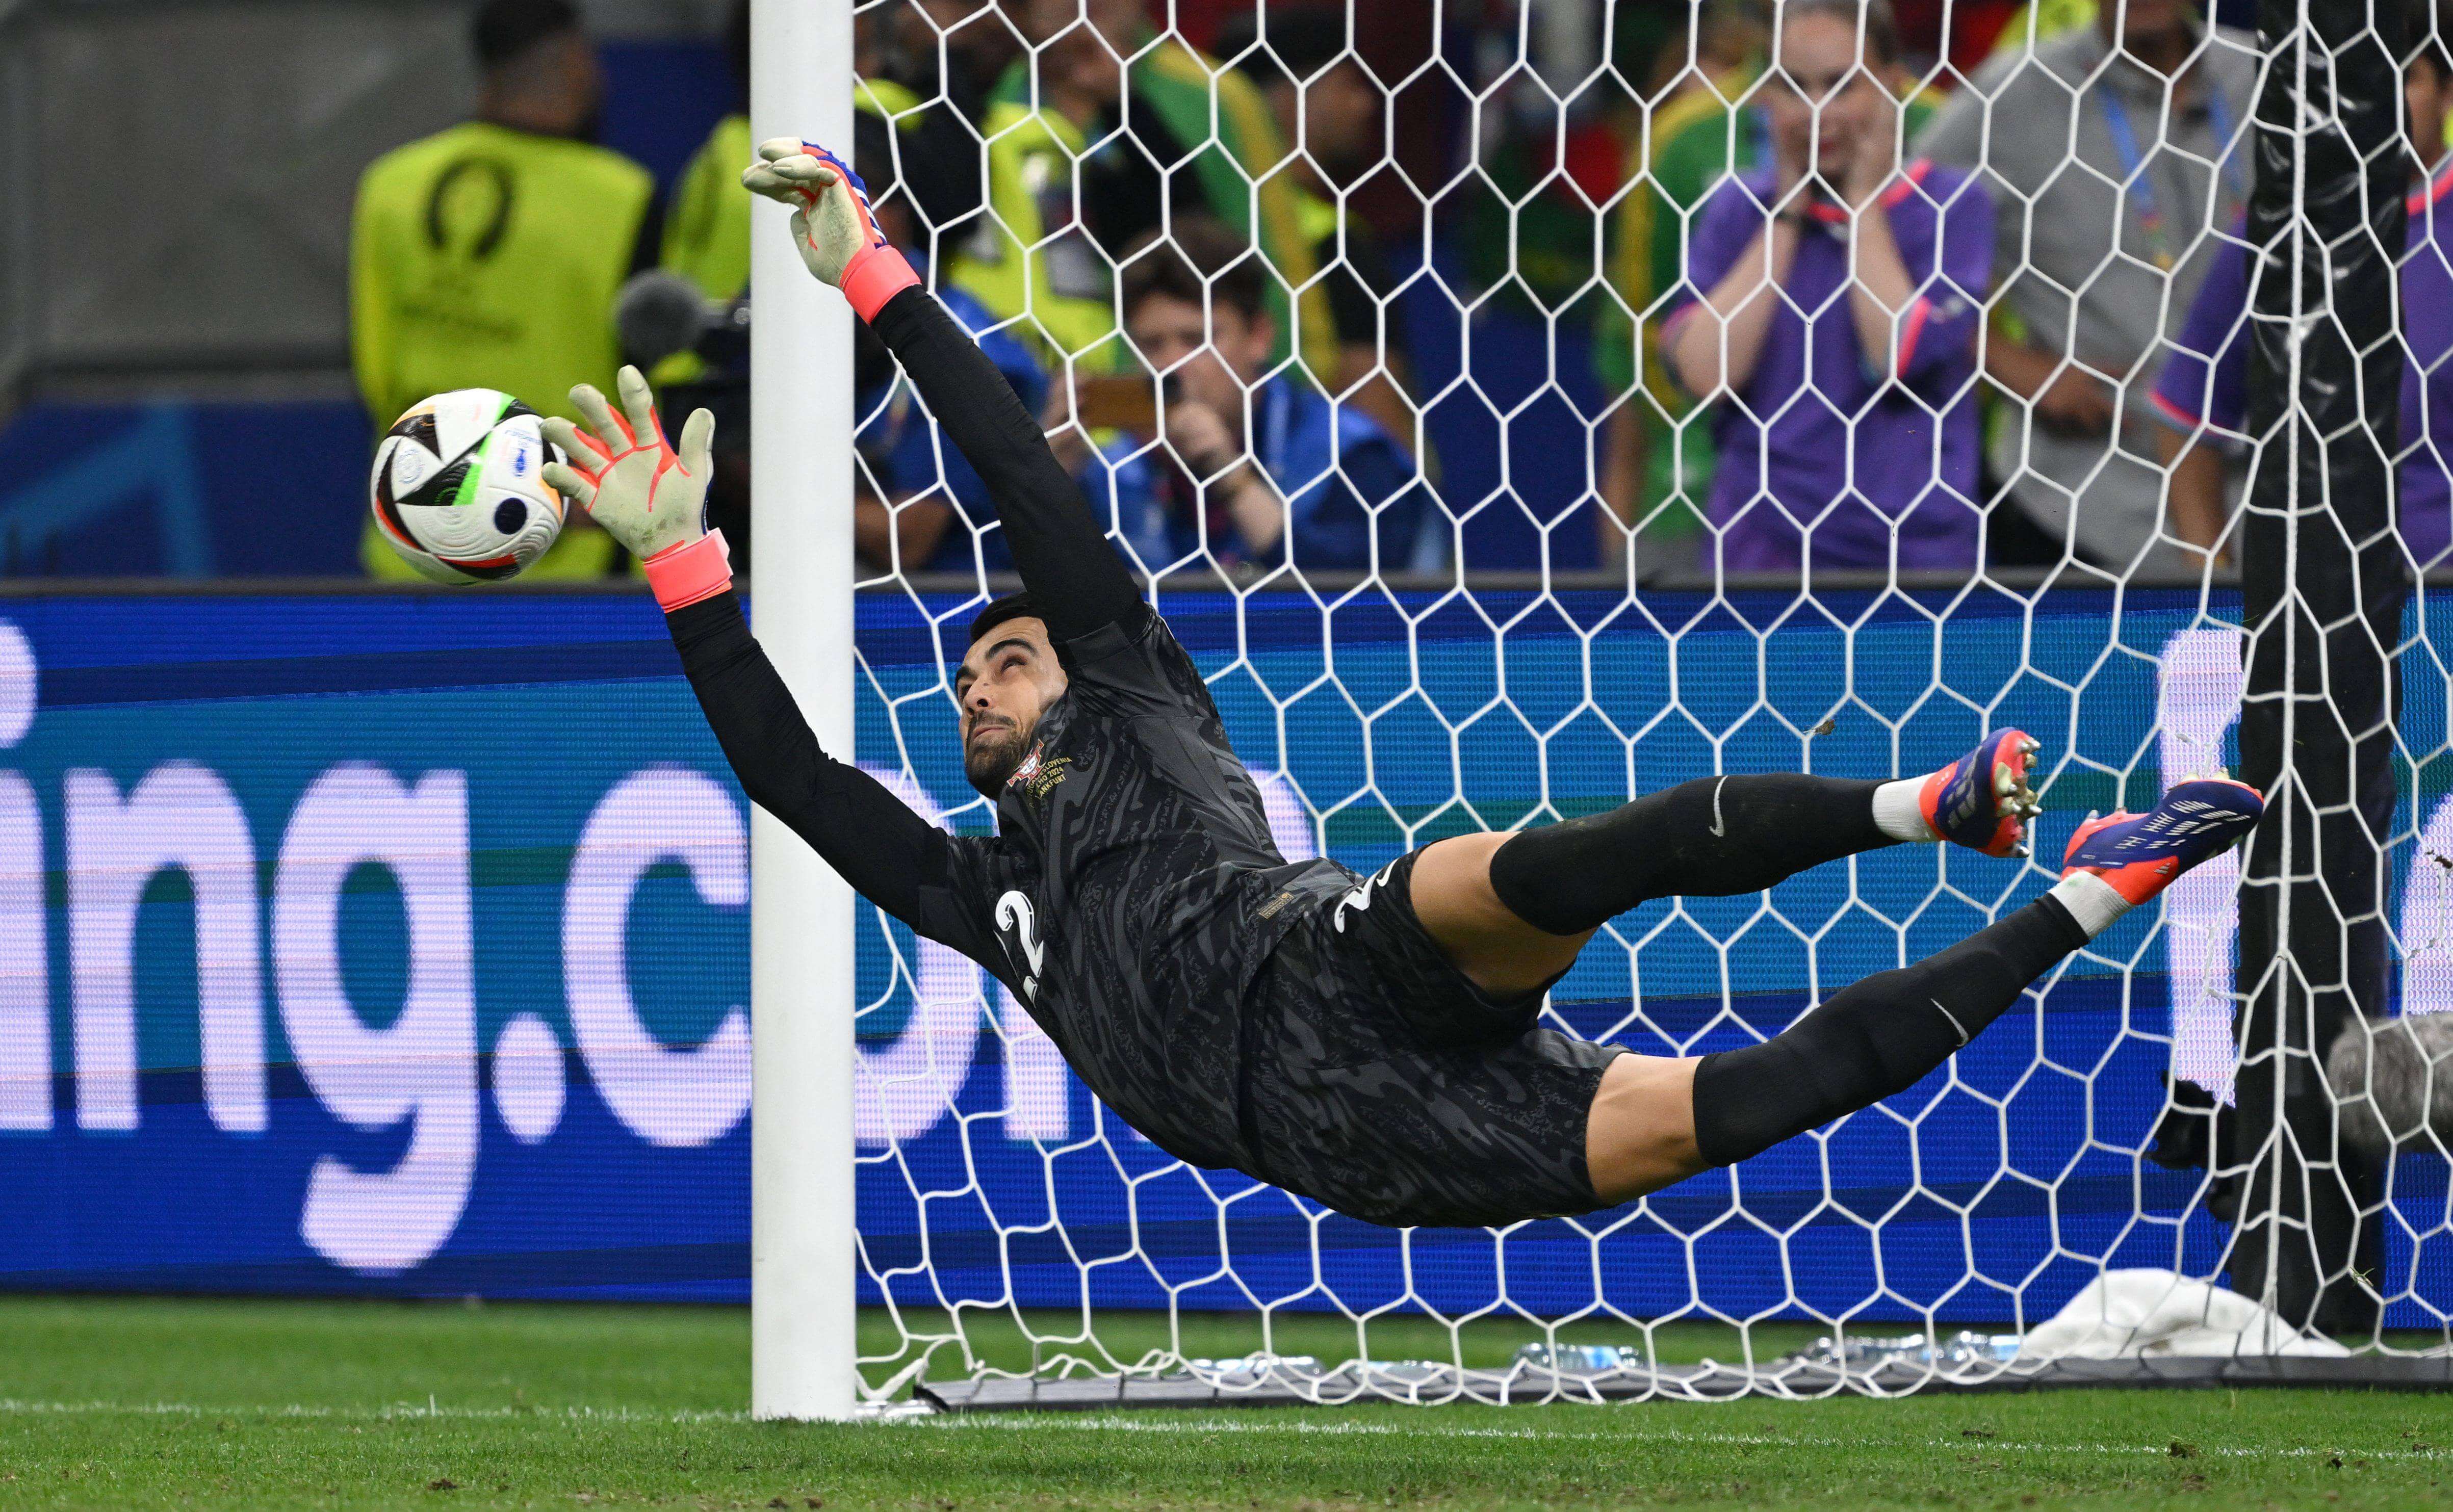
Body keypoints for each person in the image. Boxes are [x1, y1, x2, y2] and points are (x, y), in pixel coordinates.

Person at [533, 138, 2266, 1231]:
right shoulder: (988, 895)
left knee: (1555, 862)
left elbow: (1027, 486)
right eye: (968, 669)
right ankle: (2093, 887)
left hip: (1330, 950)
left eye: (1003, 654)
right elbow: (796, 778)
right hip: (1352, 1140)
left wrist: (874, 280)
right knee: (1754, 1101)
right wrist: (688, 564)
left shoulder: (1140, 702)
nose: (973, 685)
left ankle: (1925, 805)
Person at [1916, 0, 2254, 573]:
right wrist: (2007, 362)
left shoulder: (2267, 77)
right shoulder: (2013, 94)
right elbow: (1894, 233)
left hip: (2267, 501)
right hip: (2081, 507)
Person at [1663, 0, 1992, 573]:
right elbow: (1707, 373)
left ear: (1891, 86)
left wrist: (1862, 203)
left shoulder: (1948, 204)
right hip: (1762, 555)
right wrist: (1788, 210)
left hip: (1913, 561)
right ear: (1766, 95)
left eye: (1841, 86)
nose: (1817, 112)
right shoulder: (1739, 208)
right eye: (1794, 87)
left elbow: (1898, 354)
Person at [350, 0, 645, 580]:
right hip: (565, 561)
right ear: (576, 64)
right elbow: (652, 383)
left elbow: (371, 360)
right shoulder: (622, 199)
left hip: (411, 544)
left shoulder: (389, 183)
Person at [2153, 14, 2453, 573]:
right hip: (2312, 620)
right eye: (2350, 79)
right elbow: (2183, 416)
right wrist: (2211, 588)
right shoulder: (2273, 233)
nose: (2373, 101)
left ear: (2444, 92)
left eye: (2401, 78)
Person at [950, 0, 1335, 378]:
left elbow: (1271, 258)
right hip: (1016, 386)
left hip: (1178, 388)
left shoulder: (1212, 96)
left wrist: (1288, 401)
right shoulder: (983, 95)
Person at [1062, 218, 1426, 574]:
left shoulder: (1346, 452)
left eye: (1197, 340)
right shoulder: (1115, 472)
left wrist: (1231, 476)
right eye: (1151, 344)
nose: (1171, 365)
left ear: (1259, 338)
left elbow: (1359, 608)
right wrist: (1049, 474)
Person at [1216, 8, 1416, 451]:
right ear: (1287, 96)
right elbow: (1375, 414)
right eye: (1347, 85)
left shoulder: (1214, 224)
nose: (1366, 104)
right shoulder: (1330, 241)